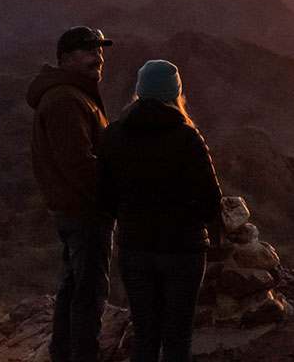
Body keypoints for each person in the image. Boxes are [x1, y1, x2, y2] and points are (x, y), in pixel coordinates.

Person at [97, 60, 222, 362]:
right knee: (177, 338)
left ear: (139, 92)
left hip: (134, 250)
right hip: (183, 251)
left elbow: (104, 197)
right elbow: (210, 201)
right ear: (175, 94)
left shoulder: (113, 135)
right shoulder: (187, 138)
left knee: (146, 337)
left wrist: (130, 218)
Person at [26, 26, 115, 362]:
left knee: (74, 288)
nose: (99, 57)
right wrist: (111, 200)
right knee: (89, 294)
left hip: (76, 210)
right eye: (89, 51)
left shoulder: (75, 94)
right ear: (65, 59)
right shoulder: (65, 99)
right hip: (85, 212)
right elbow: (80, 165)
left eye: (100, 50)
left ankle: (62, 353)